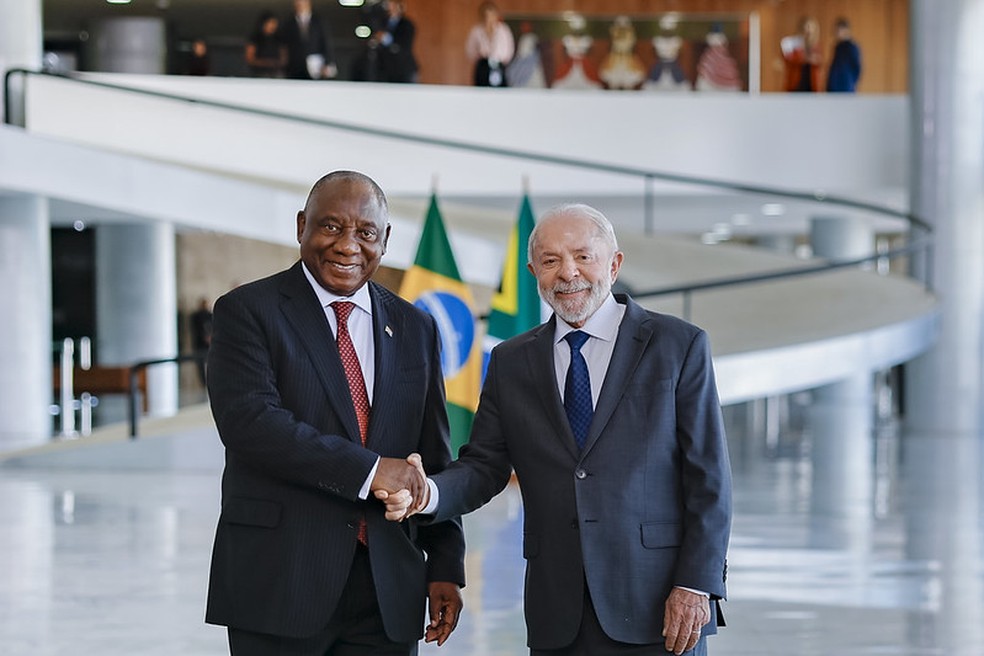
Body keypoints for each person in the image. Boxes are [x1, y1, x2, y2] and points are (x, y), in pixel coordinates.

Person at [380, 204, 732, 655]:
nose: (568, 273)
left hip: (660, 606)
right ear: (533, 271)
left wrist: (695, 584)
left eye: (583, 256)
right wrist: (427, 492)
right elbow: (484, 466)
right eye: (550, 261)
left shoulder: (678, 346)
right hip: (557, 612)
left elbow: (709, 479)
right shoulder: (511, 361)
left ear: (614, 263)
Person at [204, 170, 466, 654]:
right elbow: (251, 425)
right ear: (301, 225)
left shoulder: (416, 327)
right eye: (330, 227)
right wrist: (371, 472)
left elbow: (432, 455)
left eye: (366, 233)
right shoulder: (247, 311)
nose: (348, 246)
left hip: (388, 588)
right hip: (281, 580)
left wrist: (445, 565)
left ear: (385, 240)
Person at [356, 0, 418, 83]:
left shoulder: (406, 24)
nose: (388, 7)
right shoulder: (382, 23)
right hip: (385, 69)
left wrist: (386, 39)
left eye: (391, 4)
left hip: (403, 68)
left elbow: (404, 45)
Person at [280, 0, 337, 80]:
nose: (300, 4)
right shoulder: (288, 23)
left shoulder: (319, 22)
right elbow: (284, 46)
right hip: (294, 67)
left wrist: (328, 62)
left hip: (316, 66)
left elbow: (326, 43)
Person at [465, 1, 515, 87]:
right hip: (483, 65)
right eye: (486, 15)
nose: (489, 18)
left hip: (499, 64)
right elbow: (470, 50)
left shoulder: (503, 30)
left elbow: (509, 49)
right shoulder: (476, 31)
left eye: (491, 15)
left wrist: (500, 60)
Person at [781, 16, 822, 92]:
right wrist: (805, 58)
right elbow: (788, 59)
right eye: (806, 28)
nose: (808, 31)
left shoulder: (815, 47)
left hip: (812, 86)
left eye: (810, 28)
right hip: (795, 85)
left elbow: (819, 63)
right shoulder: (794, 45)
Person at [245, 10, 287, 78]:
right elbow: (250, 58)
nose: (273, 26)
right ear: (263, 23)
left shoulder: (279, 39)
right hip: (259, 73)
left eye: (275, 23)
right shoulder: (255, 38)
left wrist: (276, 63)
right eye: (270, 23)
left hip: (276, 74)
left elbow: (284, 58)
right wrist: (266, 63)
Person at [826, 17, 862, 92]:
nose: (835, 33)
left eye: (838, 30)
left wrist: (851, 83)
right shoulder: (837, 47)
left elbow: (857, 68)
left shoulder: (852, 47)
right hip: (833, 88)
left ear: (846, 30)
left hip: (845, 87)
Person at [189, 296, 213, 385]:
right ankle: (204, 383)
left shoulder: (210, 315)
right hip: (200, 344)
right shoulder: (196, 316)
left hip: (209, 345)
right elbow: (196, 330)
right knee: (200, 366)